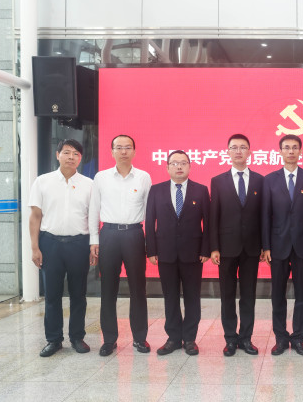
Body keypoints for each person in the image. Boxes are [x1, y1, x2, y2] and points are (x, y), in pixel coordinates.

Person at [29, 139, 94, 357]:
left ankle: (77, 337)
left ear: (80, 158)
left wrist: (93, 245)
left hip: (79, 244)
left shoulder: (89, 184)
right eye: (66, 152)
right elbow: (35, 216)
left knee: (79, 294)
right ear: (58, 155)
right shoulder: (42, 182)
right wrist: (35, 247)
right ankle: (54, 339)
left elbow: (93, 217)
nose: (71, 157)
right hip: (50, 244)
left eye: (76, 154)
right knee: (52, 295)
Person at [89, 134, 152, 356]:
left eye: (127, 147)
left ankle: (140, 338)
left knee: (138, 289)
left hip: (135, 234)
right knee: (108, 290)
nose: (123, 151)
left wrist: (150, 241)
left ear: (134, 151)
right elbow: (94, 209)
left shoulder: (143, 177)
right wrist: (94, 239)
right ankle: (109, 340)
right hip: (109, 234)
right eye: (119, 147)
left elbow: (150, 211)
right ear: (112, 151)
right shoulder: (101, 177)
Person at [145, 150, 210, 356]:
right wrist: (151, 250)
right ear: (167, 167)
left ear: (190, 166)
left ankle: (190, 338)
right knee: (170, 297)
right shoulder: (156, 190)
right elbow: (149, 221)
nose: (179, 166)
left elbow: (208, 223)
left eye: (183, 163)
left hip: (193, 254)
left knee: (192, 297)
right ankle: (173, 338)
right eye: (174, 163)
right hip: (165, 253)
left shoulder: (201, 190)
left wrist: (206, 249)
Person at [262, 134, 303, 356]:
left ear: (301, 151)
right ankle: (280, 338)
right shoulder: (270, 179)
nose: (291, 151)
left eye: (295, 147)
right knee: (278, 294)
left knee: (302, 294)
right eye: (287, 148)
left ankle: (298, 338)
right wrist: (266, 246)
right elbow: (265, 215)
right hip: (277, 246)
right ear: (280, 152)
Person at [210, 134, 264, 356]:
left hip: (252, 247)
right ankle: (230, 339)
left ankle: (246, 338)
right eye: (234, 147)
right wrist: (214, 247)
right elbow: (214, 216)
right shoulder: (218, 181)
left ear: (250, 151)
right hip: (226, 247)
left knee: (248, 295)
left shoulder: (260, 180)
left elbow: (263, 216)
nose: (239, 151)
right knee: (227, 295)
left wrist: (265, 245)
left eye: (243, 147)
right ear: (228, 152)